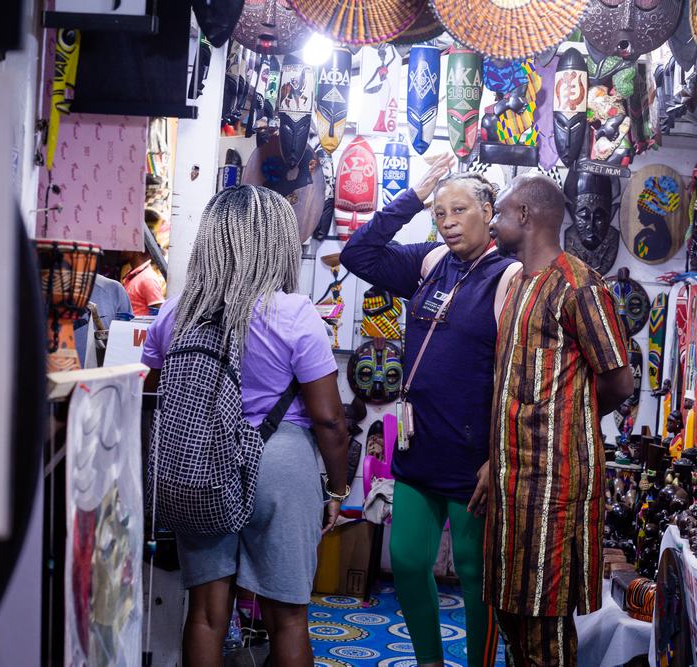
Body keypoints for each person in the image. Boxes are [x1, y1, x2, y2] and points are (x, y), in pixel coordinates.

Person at [141, 186, 348, 667]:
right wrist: (336, 489)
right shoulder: (295, 313)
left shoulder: (175, 312)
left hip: (201, 463)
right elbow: (329, 419)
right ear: (278, 243)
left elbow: (155, 395)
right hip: (281, 465)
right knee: (288, 618)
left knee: (206, 614)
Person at [340, 154, 517, 667]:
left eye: (459, 210)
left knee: (474, 573)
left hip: (473, 456)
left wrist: (498, 456)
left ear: (488, 212)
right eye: (439, 213)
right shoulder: (431, 263)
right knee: (408, 560)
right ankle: (429, 662)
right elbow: (359, 253)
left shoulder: (508, 277)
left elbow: (517, 378)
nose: (448, 222)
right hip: (418, 445)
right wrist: (413, 198)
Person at [486, 173, 633, 666]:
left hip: (555, 487)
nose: (493, 221)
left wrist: (567, 420)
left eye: (500, 212)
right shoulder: (518, 283)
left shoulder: (579, 285)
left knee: (544, 630)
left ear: (525, 215)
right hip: (512, 483)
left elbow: (619, 382)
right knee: (512, 617)